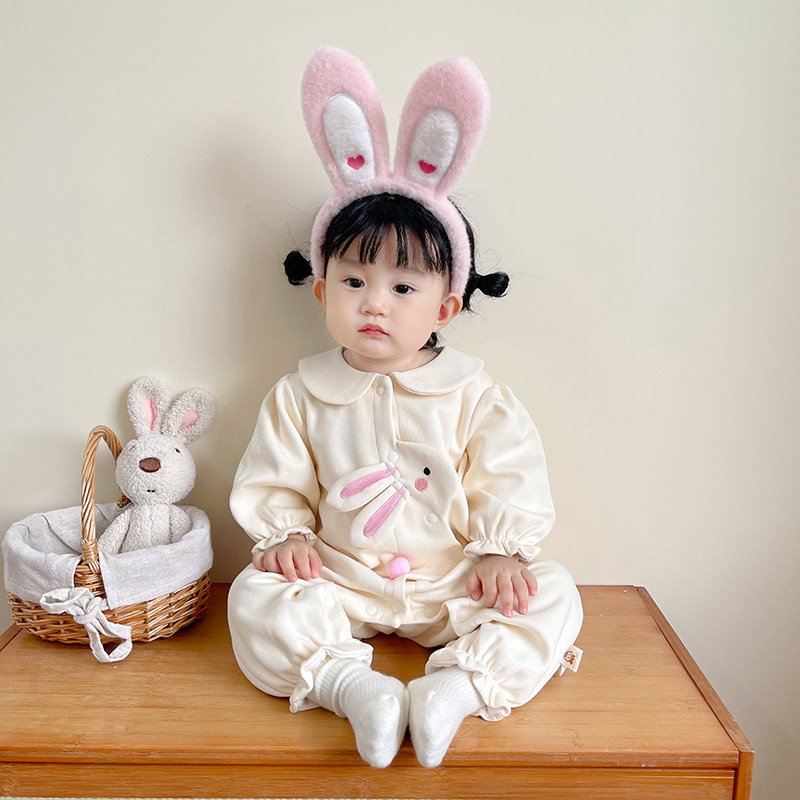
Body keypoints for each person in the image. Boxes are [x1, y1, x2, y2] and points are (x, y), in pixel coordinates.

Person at [227, 47, 583, 769]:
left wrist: (500, 551)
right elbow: (276, 481)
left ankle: (455, 689)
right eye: (354, 281)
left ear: (444, 306)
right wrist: (284, 538)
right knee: (253, 594)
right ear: (322, 291)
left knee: (554, 593)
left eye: (402, 287)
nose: (374, 304)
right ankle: (355, 690)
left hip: (455, 581)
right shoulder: (299, 393)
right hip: (341, 579)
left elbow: (508, 478)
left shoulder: (476, 395)